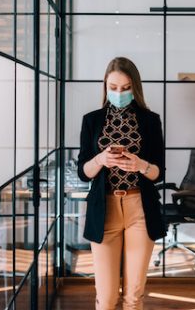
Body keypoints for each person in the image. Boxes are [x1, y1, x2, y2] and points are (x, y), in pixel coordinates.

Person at [77, 56, 167, 310]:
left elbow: (158, 173)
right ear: (105, 86)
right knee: (106, 298)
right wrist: (101, 159)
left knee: (133, 295)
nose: (119, 93)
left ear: (135, 88)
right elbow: (84, 172)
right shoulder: (92, 120)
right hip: (104, 210)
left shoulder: (150, 120)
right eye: (113, 87)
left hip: (139, 206)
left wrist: (141, 165)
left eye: (126, 88)